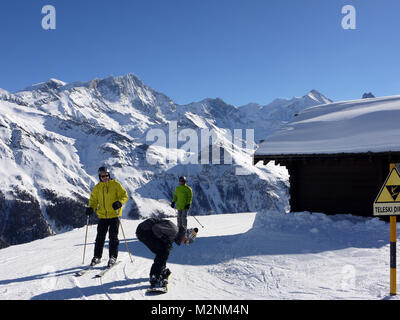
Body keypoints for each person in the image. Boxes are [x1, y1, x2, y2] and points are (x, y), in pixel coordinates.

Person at [136, 218, 197, 289]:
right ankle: (156, 275)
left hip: (145, 230)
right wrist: (165, 239)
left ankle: (157, 272)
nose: (185, 242)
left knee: (163, 250)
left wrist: (166, 242)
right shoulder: (174, 231)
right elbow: (156, 228)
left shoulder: (176, 234)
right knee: (163, 251)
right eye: (187, 241)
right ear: (186, 235)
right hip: (144, 230)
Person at [85, 166, 129, 267]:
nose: (104, 177)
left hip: (114, 215)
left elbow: (124, 196)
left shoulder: (116, 185)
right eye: (102, 176)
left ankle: (112, 257)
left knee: (113, 237)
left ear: (109, 175)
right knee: (100, 238)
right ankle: (97, 257)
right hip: (102, 216)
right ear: (99, 177)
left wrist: (119, 203)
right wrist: (91, 208)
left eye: (106, 175)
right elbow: (93, 200)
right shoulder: (97, 188)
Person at [170, 176, 193, 242]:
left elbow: (190, 197)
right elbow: (175, 195)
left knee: (183, 218)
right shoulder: (177, 188)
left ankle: (184, 231)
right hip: (179, 206)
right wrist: (173, 202)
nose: (181, 182)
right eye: (180, 181)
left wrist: (188, 204)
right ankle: (179, 230)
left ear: (185, 181)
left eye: (182, 181)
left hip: (185, 206)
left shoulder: (188, 189)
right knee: (179, 218)